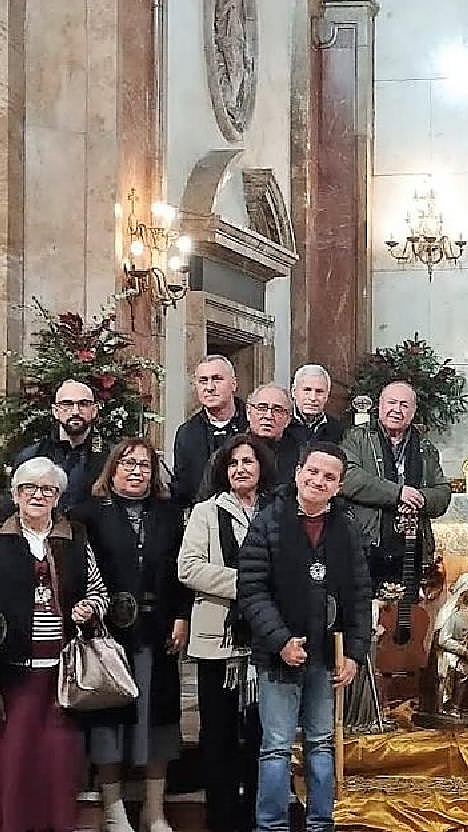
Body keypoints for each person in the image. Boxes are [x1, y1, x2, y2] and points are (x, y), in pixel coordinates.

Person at [237, 441, 372, 832]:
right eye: (312, 472)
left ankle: (320, 823)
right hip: (278, 654)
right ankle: (272, 826)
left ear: (339, 485)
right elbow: (252, 588)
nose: (318, 481)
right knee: (276, 747)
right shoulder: (269, 520)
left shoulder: (346, 529)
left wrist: (355, 652)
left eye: (329, 477)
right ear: (297, 473)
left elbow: (360, 594)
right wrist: (280, 640)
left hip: (326, 655)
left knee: (321, 744)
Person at [72, 438, 190, 832]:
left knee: (158, 719)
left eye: (145, 464)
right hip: (109, 632)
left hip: (159, 630)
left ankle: (154, 810)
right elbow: (79, 574)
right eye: (128, 463)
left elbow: (181, 572)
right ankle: (114, 809)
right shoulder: (88, 514)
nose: (137, 470)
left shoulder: (171, 514)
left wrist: (182, 617)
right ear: (113, 468)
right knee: (109, 719)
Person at [0, 457, 109, 832]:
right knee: (14, 761)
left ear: (58, 496)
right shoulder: (1, 538)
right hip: (13, 673)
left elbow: (100, 591)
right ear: (15, 494)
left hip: (65, 674)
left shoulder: (73, 535)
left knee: (59, 762)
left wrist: (88, 607)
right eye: (29, 487)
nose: (38, 495)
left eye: (48, 489)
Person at [177, 434, 277, 831]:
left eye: (248, 462)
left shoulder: (277, 510)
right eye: (234, 463)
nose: (240, 469)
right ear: (223, 469)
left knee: (259, 735)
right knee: (216, 735)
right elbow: (189, 568)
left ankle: (256, 816)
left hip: (265, 642)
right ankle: (220, 819)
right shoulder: (205, 512)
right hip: (217, 640)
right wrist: (246, 582)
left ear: (261, 468)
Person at [340, 380, 452, 640]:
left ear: (413, 411)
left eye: (404, 404)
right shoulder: (357, 439)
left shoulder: (425, 448)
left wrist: (419, 498)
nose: (396, 410)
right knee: (368, 623)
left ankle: (404, 675)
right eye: (391, 403)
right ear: (379, 406)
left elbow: (443, 493)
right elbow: (348, 477)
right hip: (368, 547)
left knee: (406, 625)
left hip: (412, 550)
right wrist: (397, 493)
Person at [10, 379, 107, 511]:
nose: (75, 411)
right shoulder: (32, 455)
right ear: (55, 411)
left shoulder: (110, 457)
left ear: (94, 410)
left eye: (83, 404)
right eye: (67, 404)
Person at [172, 355, 247, 506]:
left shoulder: (253, 424)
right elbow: (183, 488)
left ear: (234, 384)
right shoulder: (186, 433)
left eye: (217, 379)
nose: (209, 387)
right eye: (203, 381)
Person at [417, 572, 468, 725]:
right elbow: (442, 639)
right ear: (463, 591)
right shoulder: (451, 612)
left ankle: (465, 706)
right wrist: (464, 651)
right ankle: (451, 706)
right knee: (461, 671)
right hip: (448, 652)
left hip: (465, 651)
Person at [247, 383, 303, 483]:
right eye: (262, 408)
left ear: (288, 419)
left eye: (277, 410)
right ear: (248, 412)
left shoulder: (301, 455)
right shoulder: (231, 450)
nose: (268, 416)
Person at [286, 364, 347, 448]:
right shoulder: (282, 425)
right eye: (307, 390)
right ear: (293, 392)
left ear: (327, 395)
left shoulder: (337, 430)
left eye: (319, 391)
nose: (313, 398)